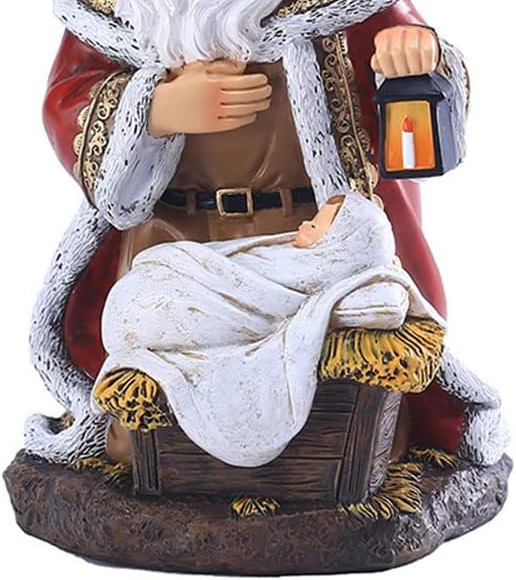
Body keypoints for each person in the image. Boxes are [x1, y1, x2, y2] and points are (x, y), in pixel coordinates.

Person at [26, 0, 505, 473]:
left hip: (312, 242)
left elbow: (427, 97)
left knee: (341, 392)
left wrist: (417, 59)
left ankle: (338, 466)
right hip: (170, 241)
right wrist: (154, 110)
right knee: (151, 376)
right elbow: (68, 97)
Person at [91, 190, 446, 467]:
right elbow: (237, 262)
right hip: (177, 273)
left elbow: (272, 294)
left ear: (339, 246)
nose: (304, 225)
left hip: (184, 305)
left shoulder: (322, 271)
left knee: (143, 307)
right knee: (144, 287)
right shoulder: (288, 250)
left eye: (316, 226)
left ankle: (147, 307)